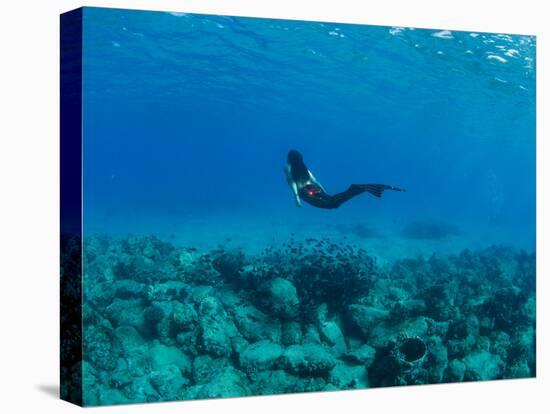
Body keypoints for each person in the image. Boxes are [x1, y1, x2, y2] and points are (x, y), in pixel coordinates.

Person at [284, 150, 404, 209]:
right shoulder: (303, 166)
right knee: (332, 201)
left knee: (332, 206)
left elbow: (293, 183)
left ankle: (356, 188)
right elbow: (314, 179)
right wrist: (323, 191)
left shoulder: (288, 167)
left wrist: (297, 199)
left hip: (304, 192)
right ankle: (357, 189)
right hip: (312, 188)